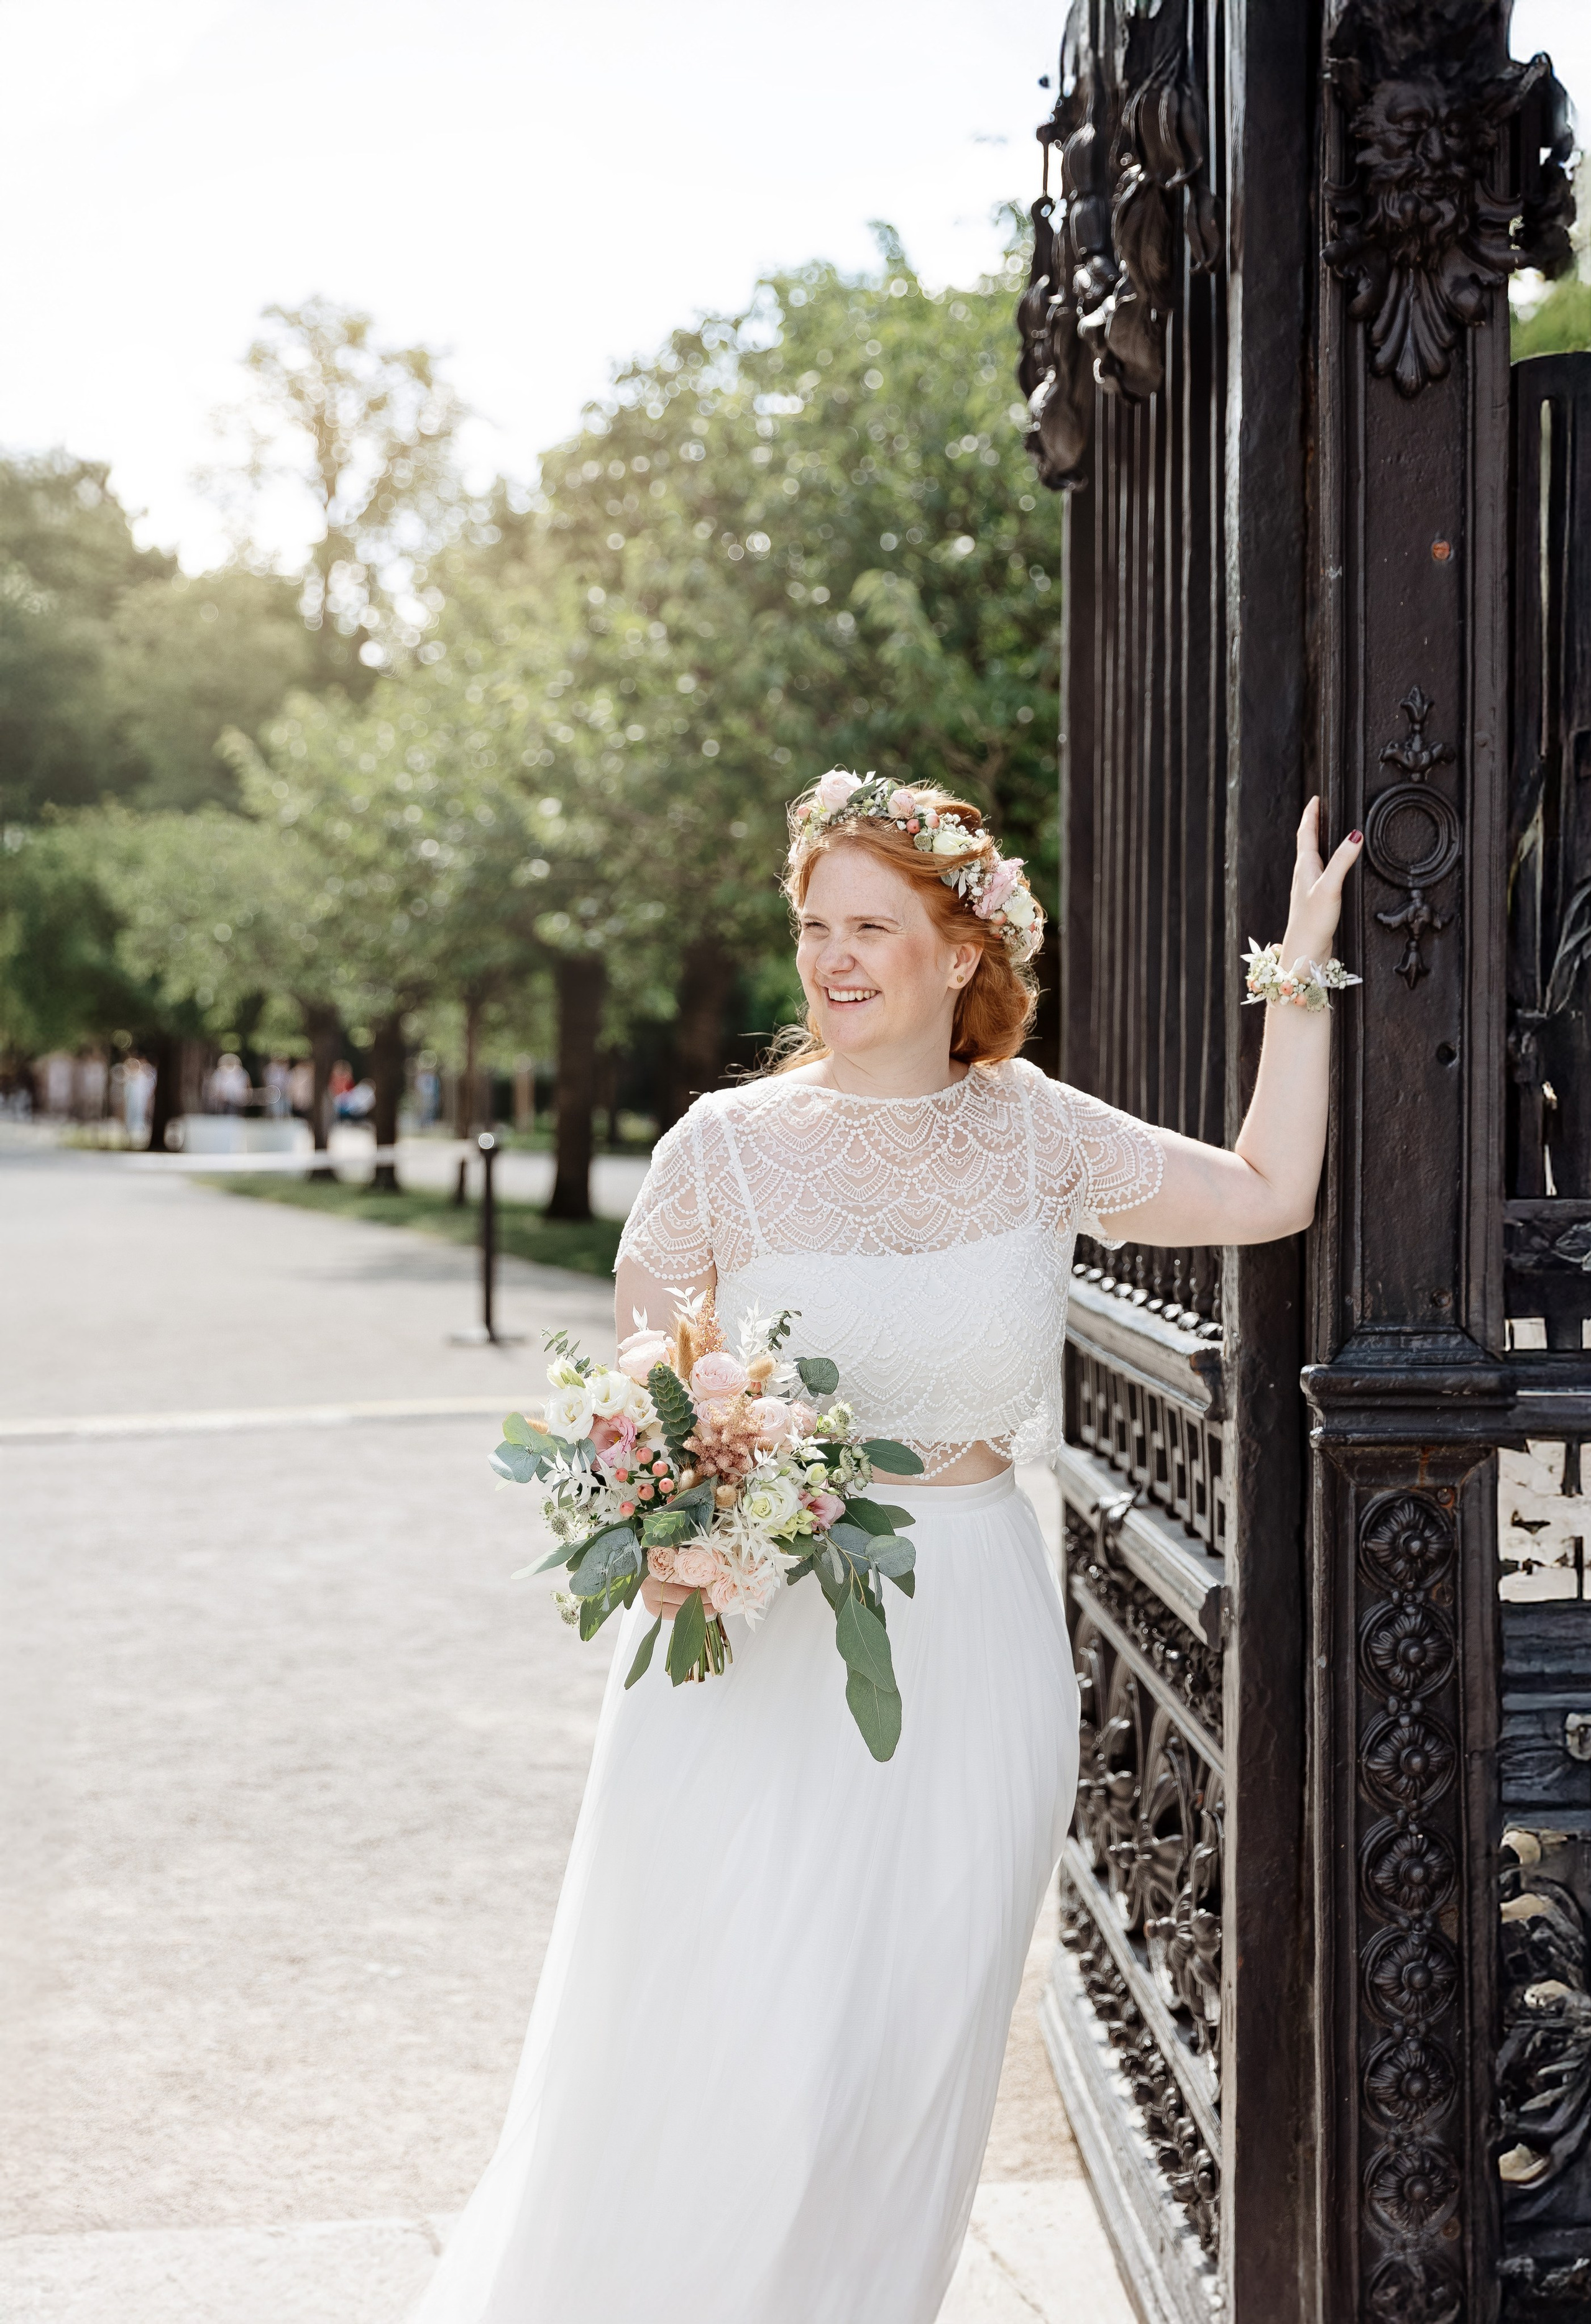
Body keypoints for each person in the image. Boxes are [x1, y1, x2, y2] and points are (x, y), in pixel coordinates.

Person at [414, 773, 1362, 2324]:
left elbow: (1269, 1192)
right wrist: (667, 1529)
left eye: (871, 925)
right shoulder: (717, 1150)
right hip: (756, 1649)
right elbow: (640, 1422)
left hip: (973, 1625)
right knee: (739, 2045)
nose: (833, 959)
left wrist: (1299, 966)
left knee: (903, 2058)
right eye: (812, 927)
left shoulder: (1038, 1134)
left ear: (959, 950)